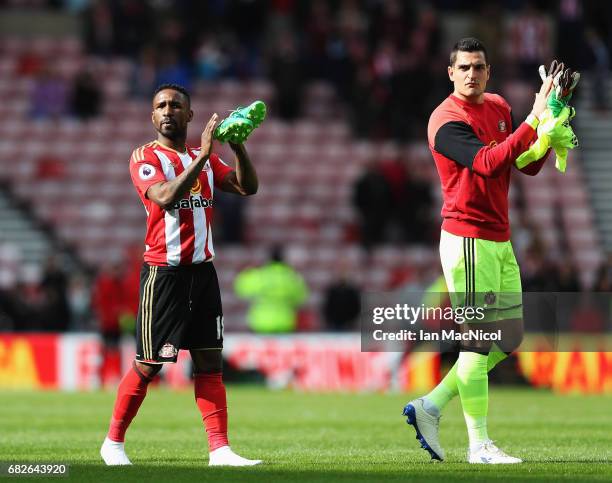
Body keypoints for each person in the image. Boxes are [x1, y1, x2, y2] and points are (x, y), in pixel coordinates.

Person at [402, 38, 558, 464]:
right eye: (465, 67)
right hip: (467, 238)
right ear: (450, 73)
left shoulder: (499, 106)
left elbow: (524, 162)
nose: (472, 74)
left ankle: (430, 405)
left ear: (489, 72)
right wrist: (534, 117)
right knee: (477, 342)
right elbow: (488, 163)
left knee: (508, 339)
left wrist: (548, 132)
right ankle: (479, 445)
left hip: (499, 237)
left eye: (480, 67)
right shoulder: (445, 119)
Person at [100, 83, 261, 467]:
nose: (168, 110)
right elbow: (165, 196)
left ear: (190, 116)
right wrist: (204, 156)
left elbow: (246, 187)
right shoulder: (146, 157)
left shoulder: (198, 156)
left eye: (176, 105)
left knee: (209, 362)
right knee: (148, 364)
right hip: (164, 274)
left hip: (203, 274)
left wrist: (235, 144)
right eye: (161, 105)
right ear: (152, 116)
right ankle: (113, 443)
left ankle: (220, 451)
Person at [234, 246, 308, 333]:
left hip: (260, 322)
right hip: (285, 323)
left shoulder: (259, 275)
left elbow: (240, 289)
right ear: (284, 259)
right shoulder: (292, 276)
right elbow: (302, 299)